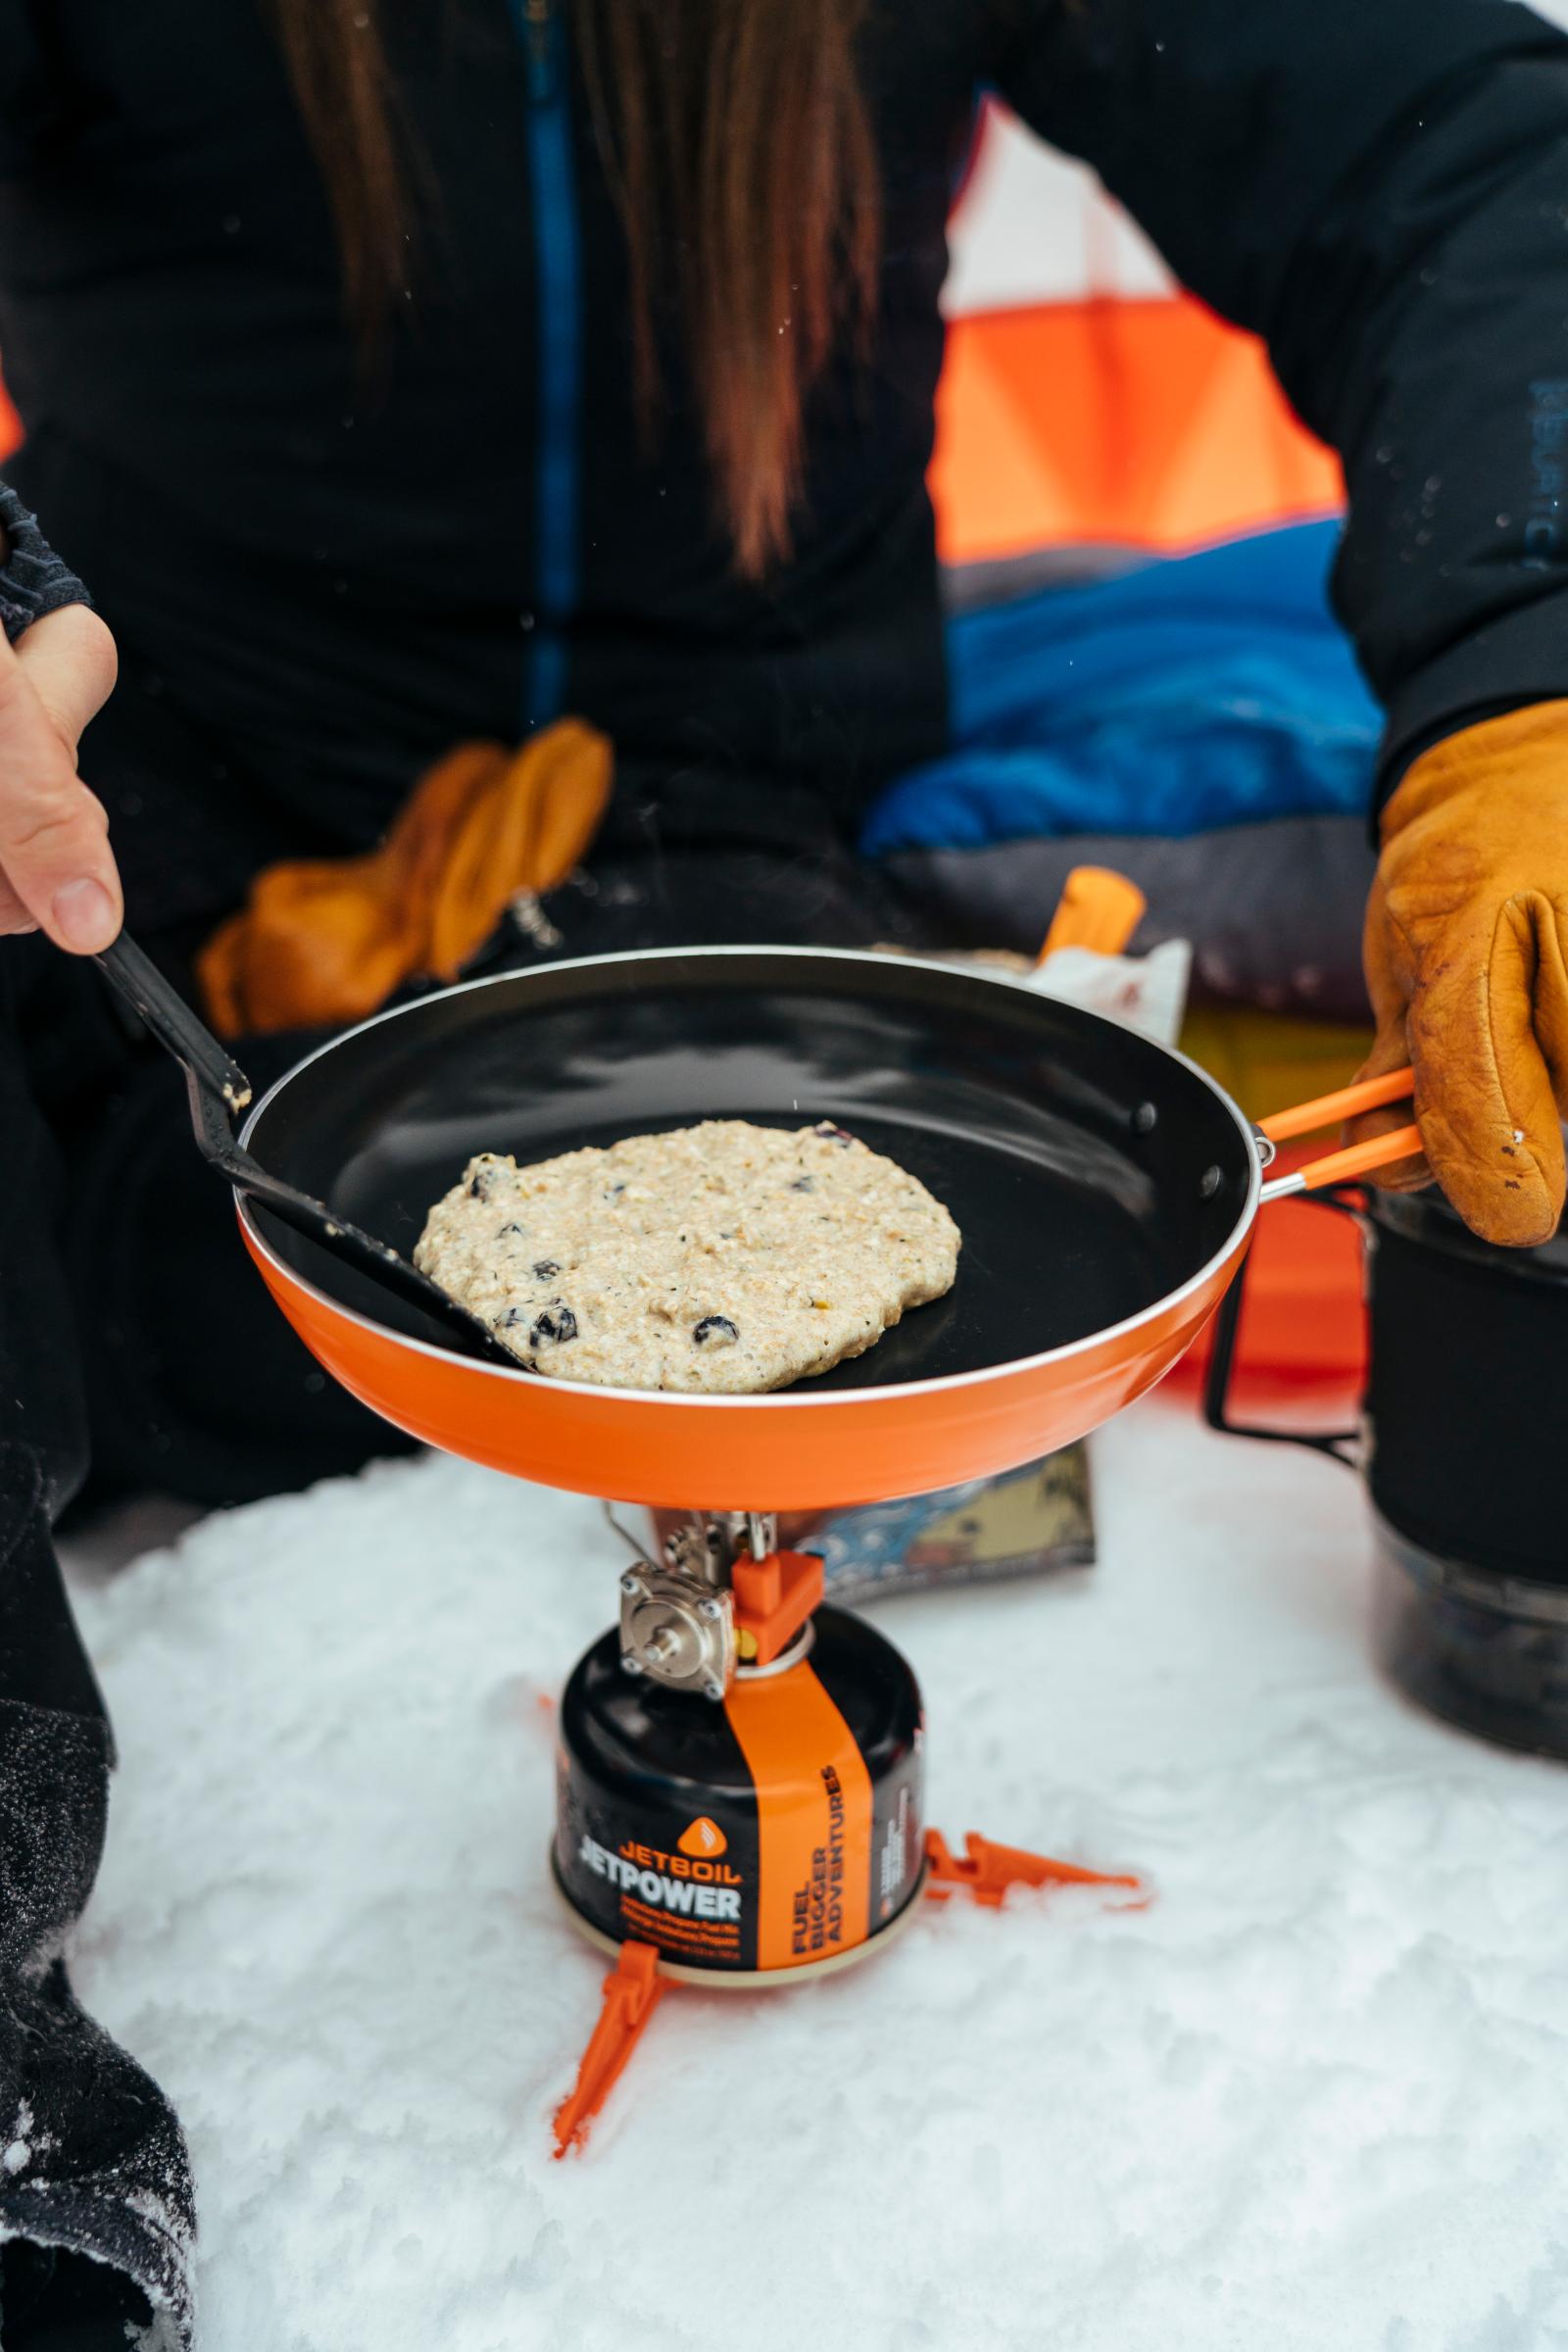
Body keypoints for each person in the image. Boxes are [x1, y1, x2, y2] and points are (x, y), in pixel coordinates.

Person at [6, 0, 1568, 2338]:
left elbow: (1447, 143)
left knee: (227, 1317)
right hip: (116, 827)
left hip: (712, 865)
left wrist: (1525, 671)